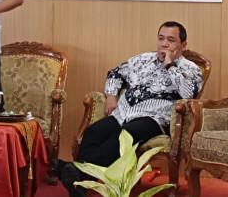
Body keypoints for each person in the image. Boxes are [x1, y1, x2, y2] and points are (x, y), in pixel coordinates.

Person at [56, 21, 204, 197]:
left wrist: (169, 65)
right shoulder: (142, 60)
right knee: (93, 132)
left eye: (171, 40)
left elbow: (189, 94)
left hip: (154, 118)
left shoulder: (191, 69)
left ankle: (76, 173)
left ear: (183, 45)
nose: (164, 44)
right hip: (123, 113)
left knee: (126, 135)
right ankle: (79, 184)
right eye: (161, 38)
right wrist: (111, 96)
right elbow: (115, 73)